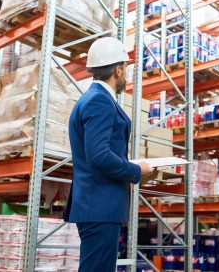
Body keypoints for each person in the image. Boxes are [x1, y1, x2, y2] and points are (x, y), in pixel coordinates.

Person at [64, 37, 156, 272]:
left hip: (96, 205)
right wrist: (136, 171)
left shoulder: (92, 99)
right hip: (99, 205)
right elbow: (98, 155)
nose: (126, 73)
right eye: (125, 68)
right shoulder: (99, 101)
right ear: (118, 70)